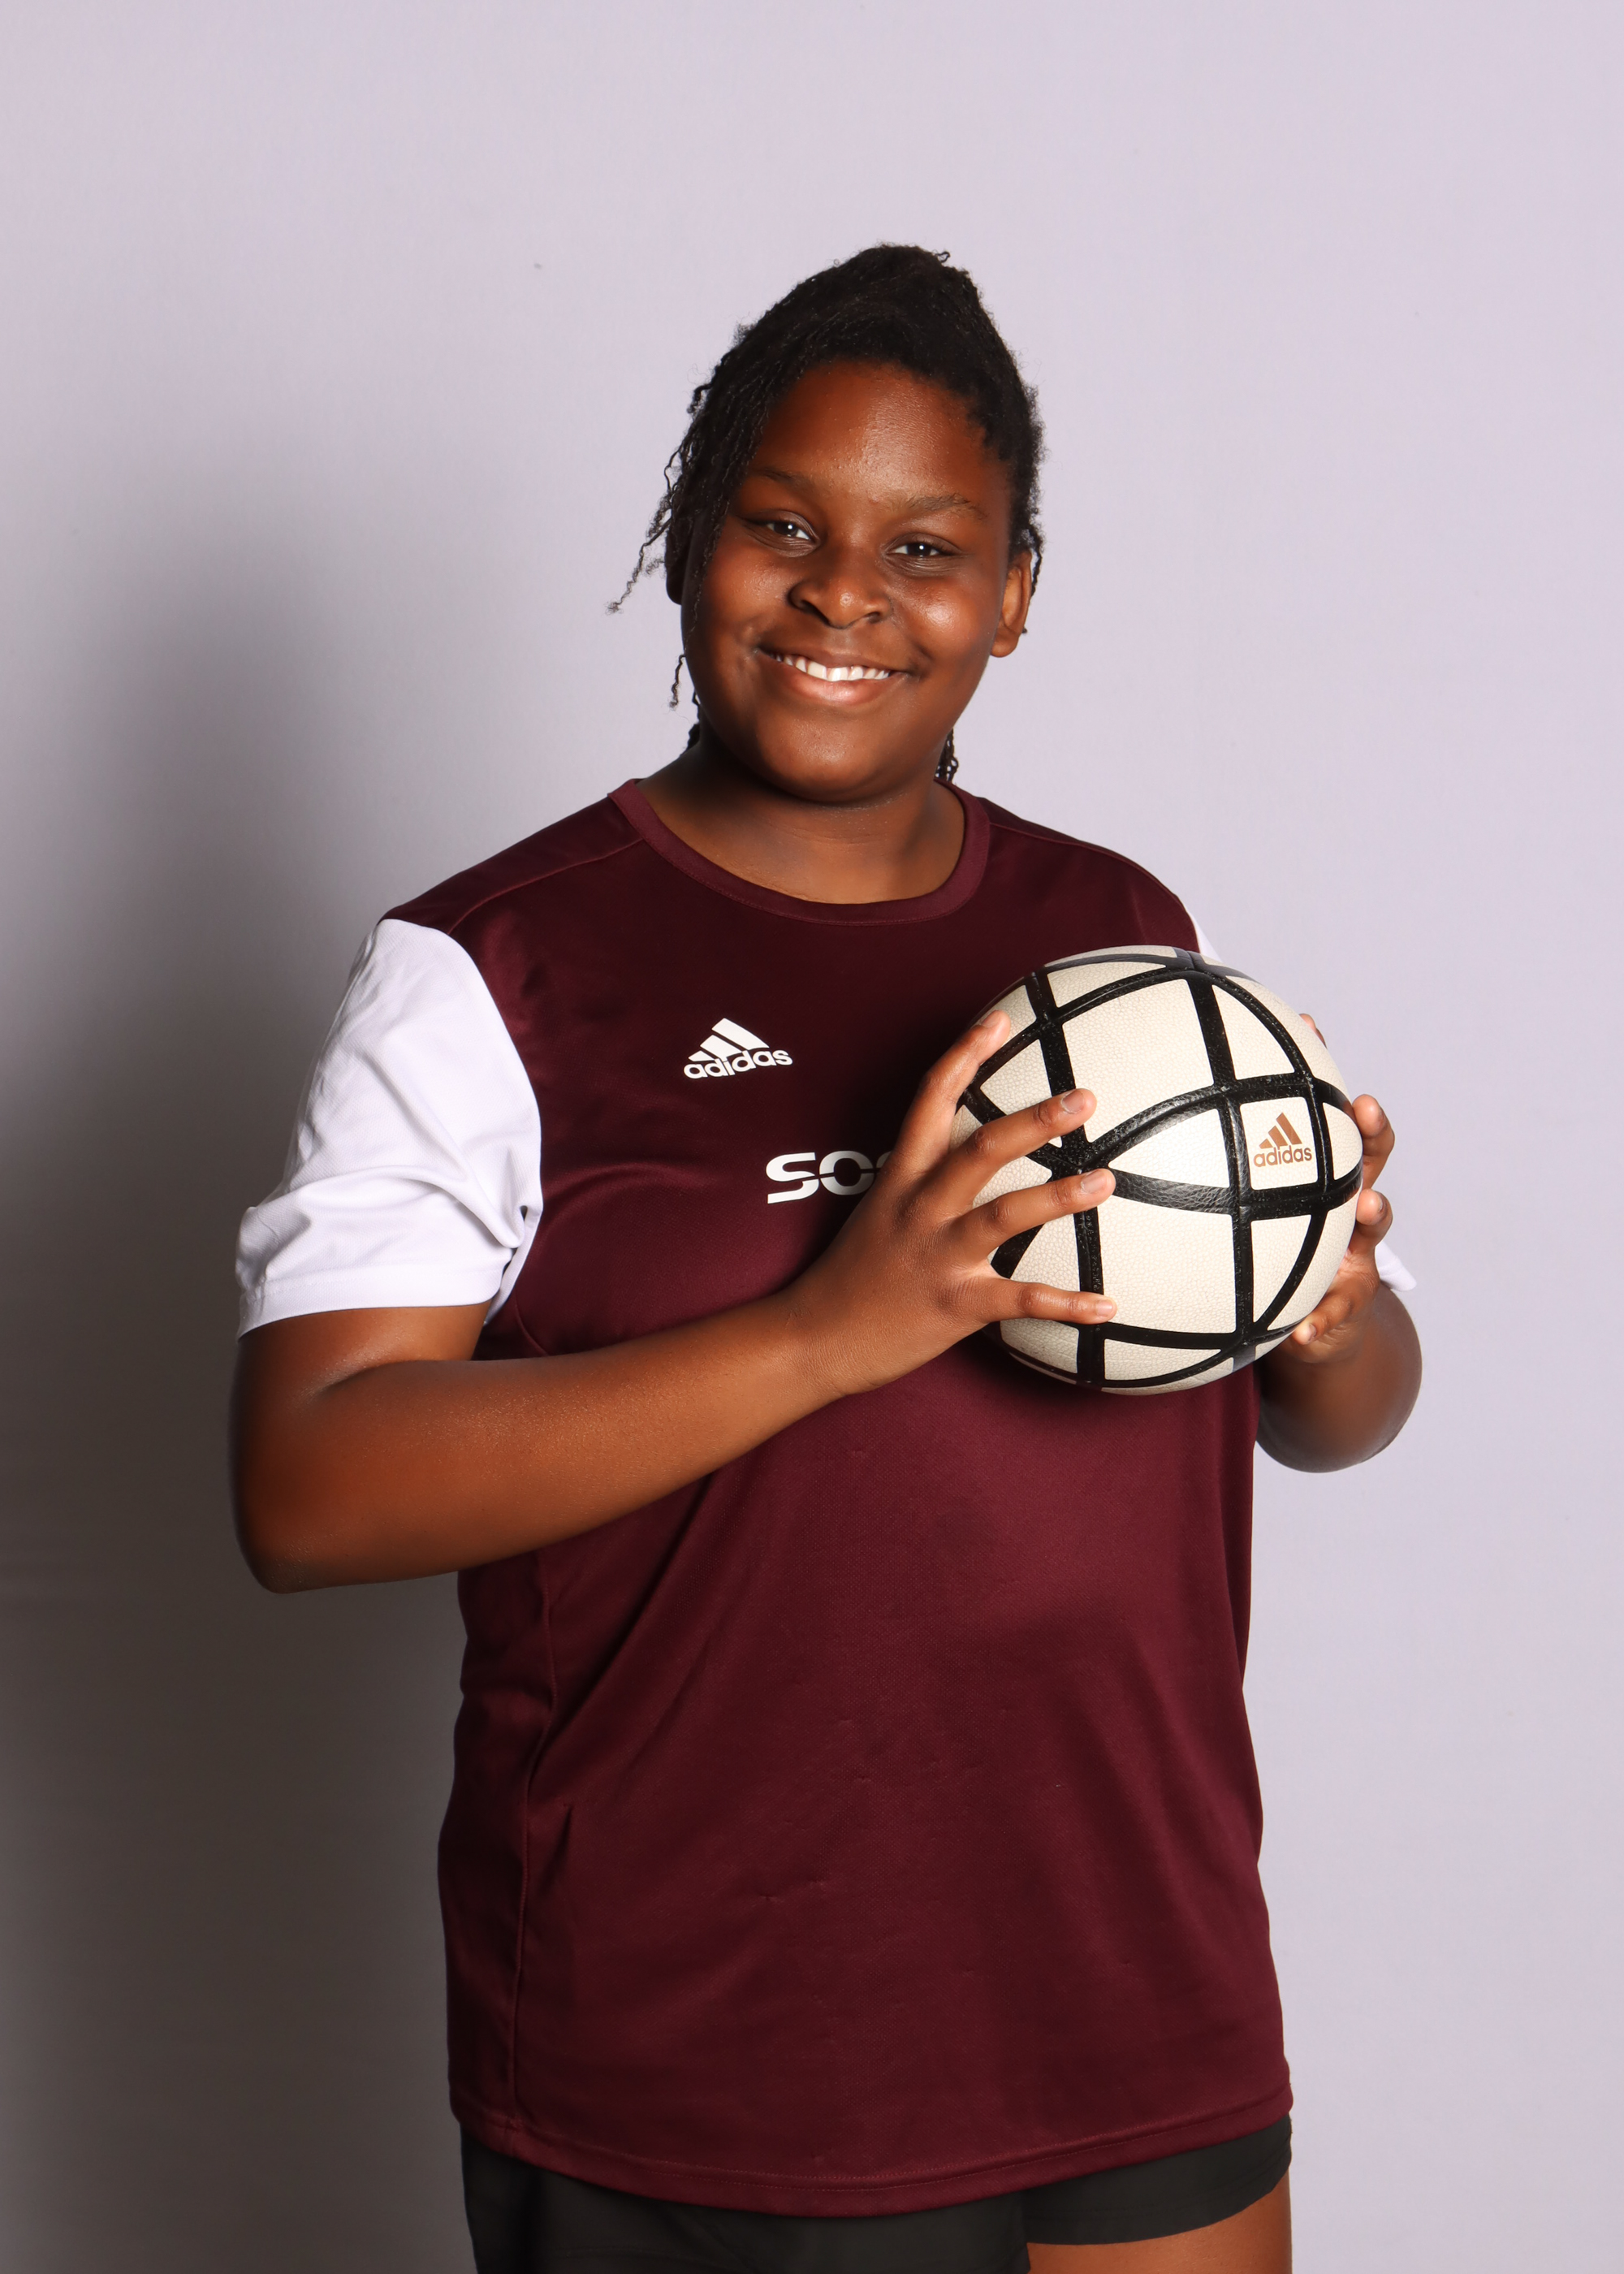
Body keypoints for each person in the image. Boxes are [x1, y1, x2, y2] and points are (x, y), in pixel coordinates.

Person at [231, 245, 1422, 2274]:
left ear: (1012, 594)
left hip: (1134, 1972)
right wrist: (832, 1327)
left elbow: (1337, 1415)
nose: (845, 593)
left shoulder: (1120, 936)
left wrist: (1323, 1293)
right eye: (782, 526)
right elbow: (308, 1485)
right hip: (717, 2035)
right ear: (690, 543)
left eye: (924, 548)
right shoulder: (495, 967)